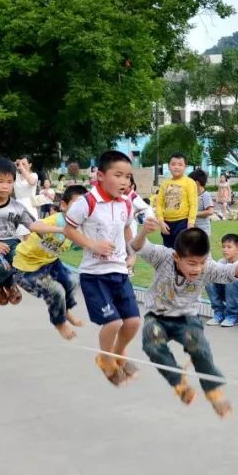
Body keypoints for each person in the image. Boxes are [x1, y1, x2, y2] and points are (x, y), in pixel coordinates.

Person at [132, 221, 238, 418]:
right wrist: (144, 231)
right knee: (151, 344)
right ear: (176, 256)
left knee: (199, 347)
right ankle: (178, 382)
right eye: (191, 263)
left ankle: (213, 390)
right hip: (158, 316)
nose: (197, 269)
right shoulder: (164, 257)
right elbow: (138, 246)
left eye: (201, 262)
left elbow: (232, 273)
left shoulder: (207, 267)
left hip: (187, 317)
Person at [62, 150, 141, 385]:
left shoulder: (126, 203)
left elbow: (127, 228)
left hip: (119, 271)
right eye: (118, 175)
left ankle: (119, 353)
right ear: (100, 176)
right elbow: (69, 229)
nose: (124, 182)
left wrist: (131, 253)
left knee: (133, 321)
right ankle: (106, 360)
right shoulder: (88, 202)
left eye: (128, 177)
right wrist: (92, 244)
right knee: (114, 322)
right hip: (94, 275)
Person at [12, 184, 90, 339]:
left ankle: (65, 310)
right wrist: (62, 230)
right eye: (76, 205)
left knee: (73, 280)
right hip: (26, 267)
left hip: (51, 262)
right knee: (56, 291)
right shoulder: (57, 219)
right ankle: (59, 322)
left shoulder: (80, 227)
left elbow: (85, 244)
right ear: (63, 205)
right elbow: (36, 227)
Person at [0, 158, 48, 306]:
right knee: (3, 267)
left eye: (9, 182)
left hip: (13, 243)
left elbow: (34, 226)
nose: (5, 186)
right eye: (0, 181)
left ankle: (8, 284)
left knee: (20, 264)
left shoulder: (17, 207)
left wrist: (53, 236)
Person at [206, 233, 238, 327]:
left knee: (232, 279)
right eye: (223, 247)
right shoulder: (221, 261)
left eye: (229, 247)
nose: (225, 250)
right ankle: (219, 313)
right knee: (209, 281)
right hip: (228, 293)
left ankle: (232, 316)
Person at [153, 153, 198, 248]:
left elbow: (193, 204)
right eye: (173, 164)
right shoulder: (165, 184)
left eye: (180, 164)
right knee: (168, 251)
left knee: (182, 250)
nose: (176, 167)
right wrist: (161, 222)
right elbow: (159, 204)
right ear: (168, 166)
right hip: (167, 223)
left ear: (185, 167)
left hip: (183, 222)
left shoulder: (189, 183)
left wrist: (190, 223)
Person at [13, 156, 40, 232]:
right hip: (17, 204)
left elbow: (31, 182)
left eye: (24, 164)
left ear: (30, 165)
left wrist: (22, 168)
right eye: (20, 163)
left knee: (30, 231)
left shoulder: (34, 175)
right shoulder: (16, 175)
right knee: (18, 232)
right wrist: (13, 165)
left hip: (29, 205)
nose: (21, 165)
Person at [190, 169, 214, 237]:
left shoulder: (205, 195)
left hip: (203, 230)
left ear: (196, 183)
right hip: (193, 229)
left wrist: (194, 214)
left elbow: (210, 211)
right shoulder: (193, 195)